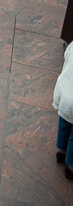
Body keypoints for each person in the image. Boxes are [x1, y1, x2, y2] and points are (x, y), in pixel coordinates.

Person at [53, 41, 73, 180]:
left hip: (65, 93)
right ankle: (71, 166)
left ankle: (61, 151)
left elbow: (66, 56)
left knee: (65, 123)